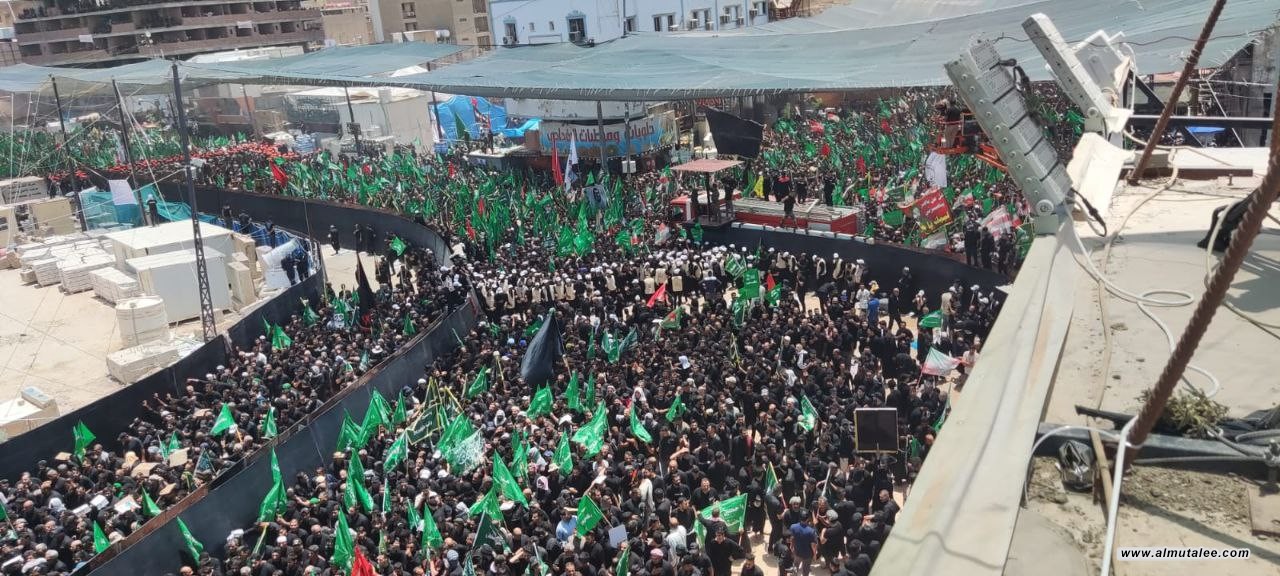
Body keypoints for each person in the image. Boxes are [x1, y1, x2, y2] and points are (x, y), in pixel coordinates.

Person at [790, 511, 818, 576]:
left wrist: (791, 546)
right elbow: (813, 545)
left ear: (800, 518)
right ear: (808, 519)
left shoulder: (793, 527)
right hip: (807, 555)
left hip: (797, 552)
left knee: (795, 566)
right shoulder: (811, 531)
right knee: (806, 570)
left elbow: (792, 538)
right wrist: (814, 555)